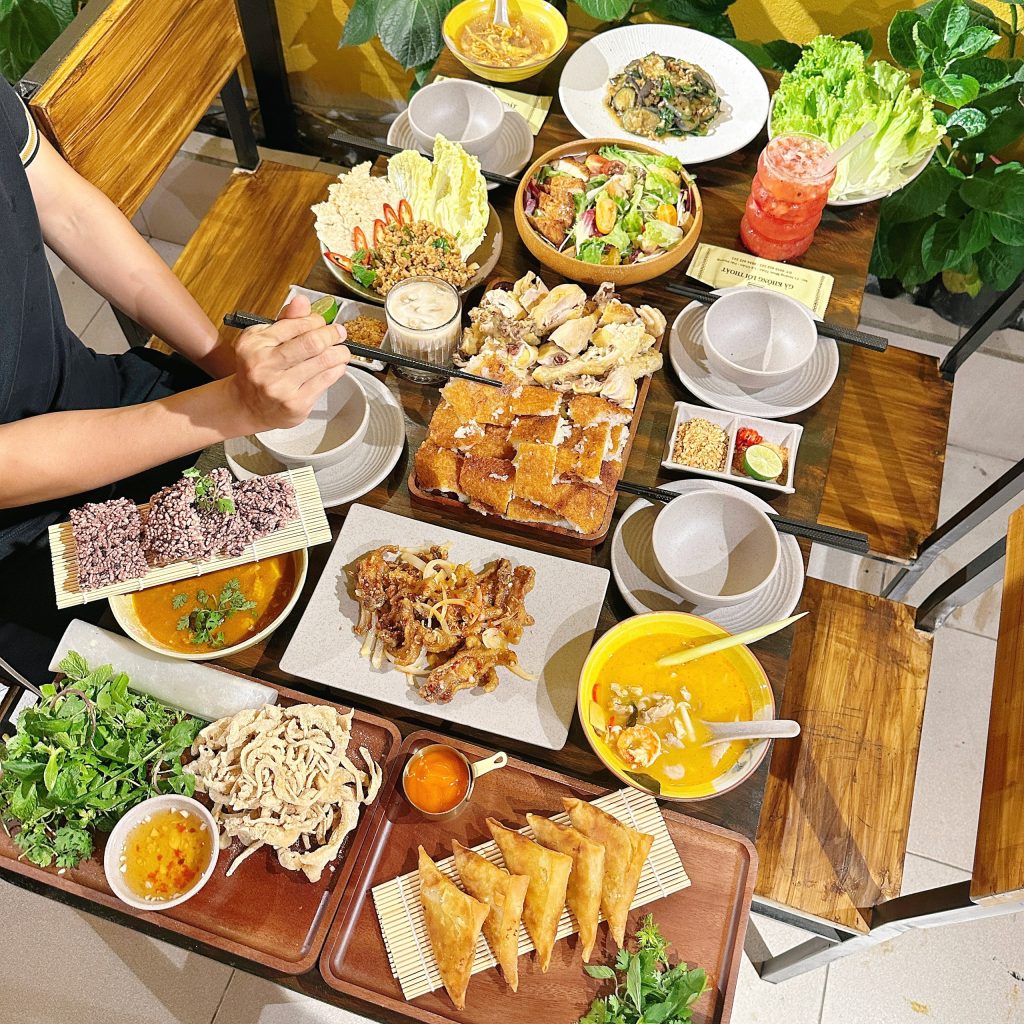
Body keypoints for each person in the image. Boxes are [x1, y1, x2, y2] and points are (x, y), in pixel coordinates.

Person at [0, 77, 350, 679]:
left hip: (104, 398)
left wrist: (223, 360)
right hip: (19, 539)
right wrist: (234, 404)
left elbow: (71, 212)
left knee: (335, 551)